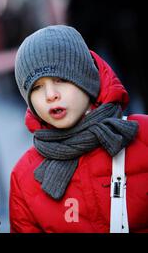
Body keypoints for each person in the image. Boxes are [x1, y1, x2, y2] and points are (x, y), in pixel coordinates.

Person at [10, 25, 148, 232]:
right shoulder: (24, 177)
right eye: (37, 88)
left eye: (62, 79)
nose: (50, 95)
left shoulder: (143, 135)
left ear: (87, 79)